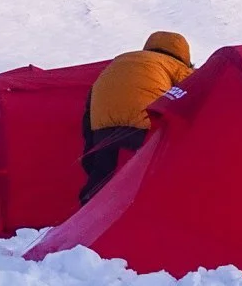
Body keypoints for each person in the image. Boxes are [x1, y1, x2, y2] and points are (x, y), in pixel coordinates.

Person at [79, 32, 194, 203]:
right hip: (145, 123)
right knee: (159, 166)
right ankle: (151, 204)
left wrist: (90, 153)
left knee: (102, 171)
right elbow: (194, 88)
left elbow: (89, 106)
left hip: (102, 126)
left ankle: (89, 204)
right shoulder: (175, 66)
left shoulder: (120, 61)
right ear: (183, 55)